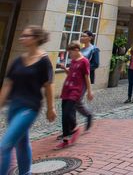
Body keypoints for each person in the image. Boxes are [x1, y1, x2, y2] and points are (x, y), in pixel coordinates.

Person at [0, 26, 56, 175]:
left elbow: (48, 85)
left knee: (4, 146)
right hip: (14, 107)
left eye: (26, 36)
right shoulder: (18, 60)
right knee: (21, 142)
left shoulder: (43, 61)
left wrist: (51, 108)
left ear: (36, 38)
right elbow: (7, 84)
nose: (21, 38)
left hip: (29, 107)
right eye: (22, 35)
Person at [57, 40, 94, 148]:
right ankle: (65, 139)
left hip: (76, 90)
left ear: (77, 50)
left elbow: (87, 77)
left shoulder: (84, 61)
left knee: (68, 113)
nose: (70, 54)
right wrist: (64, 68)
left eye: (71, 52)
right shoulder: (73, 61)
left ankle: (74, 129)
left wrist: (89, 91)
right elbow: (71, 73)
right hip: (67, 88)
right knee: (64, 114)